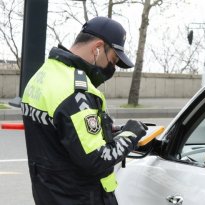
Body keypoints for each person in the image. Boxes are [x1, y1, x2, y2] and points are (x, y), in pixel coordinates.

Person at [21, 16, 148, 205]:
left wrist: (105, 130)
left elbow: (63, 134)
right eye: (112, 60)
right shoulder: (75, 91)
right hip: (80, 197)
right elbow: (97, 159)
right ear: (97, 48)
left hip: (49, 193)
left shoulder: (44, 75)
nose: (112, 68)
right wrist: (131, 134)